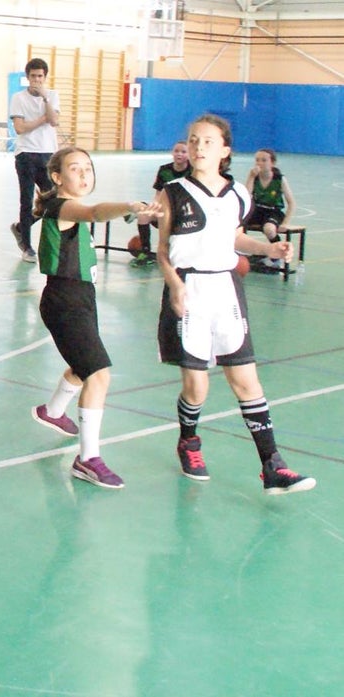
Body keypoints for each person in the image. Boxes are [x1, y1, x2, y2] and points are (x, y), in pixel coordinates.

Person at [154, 114, 314, 495]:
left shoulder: (239, 195)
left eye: (208, 141)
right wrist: (174, 283)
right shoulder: (172, 191)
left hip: (227, 290)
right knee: (197, 389)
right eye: (193, 140)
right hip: (189, 288)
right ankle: (189, 441)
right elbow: (161, 251)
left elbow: (236, 239)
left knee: (246, 380)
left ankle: (273, 466)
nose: (198, 147)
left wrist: (268, 248)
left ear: (224, 150)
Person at [29, 147, 159, 489]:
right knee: (98, 374)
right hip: (64, 299)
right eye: (76, 168)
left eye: (88, 167)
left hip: (81, 297)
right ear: (58, 178)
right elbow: (97, 212)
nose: (85, 174)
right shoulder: (63, 207)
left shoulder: (68, 208)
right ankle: (88, 459)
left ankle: (53, 411)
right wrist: (130, 206)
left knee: (83, 362)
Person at [9, 57, 60, 263]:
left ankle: (22, 227)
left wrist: (45, 100)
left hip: (48, 153)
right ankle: (27, 247)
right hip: (26, 154)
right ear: (27, 77)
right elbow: (20, 128)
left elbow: (54, 121)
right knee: (26, 198)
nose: (36, 80)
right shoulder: (18, 98)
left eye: (40, 76)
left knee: (52, 199)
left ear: (45, 77)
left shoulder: (53, 96)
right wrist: (41, 120)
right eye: (33, 76)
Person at [131, 140, 190, 267]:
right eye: (176, 151)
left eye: (183, 152)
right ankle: (145, 252)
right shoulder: (164, 170)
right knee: (143, 215)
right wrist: (154, 208)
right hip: (165, 209)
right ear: (172, 153)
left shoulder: (192, 172)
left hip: (183, 212)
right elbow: (158, 194)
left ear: (189, 154)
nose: (179, 154)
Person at [244, 148, 297, 271]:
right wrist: (251, 177)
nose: (259, 163)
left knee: (269, 229)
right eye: (257, 160)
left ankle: (277, 255)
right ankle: (243, 253)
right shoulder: (255, 177)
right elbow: (246, 197)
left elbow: (292, 203)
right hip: (258, 210)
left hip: (274, 211)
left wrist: (285, 223)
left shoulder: (279, 179)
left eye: (264, 160)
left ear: (272, 163)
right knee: (238, 224)